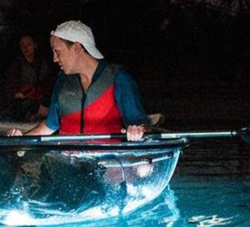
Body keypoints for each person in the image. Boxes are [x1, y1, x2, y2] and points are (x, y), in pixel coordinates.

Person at [8, 20, 149, 141]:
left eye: (57, 51)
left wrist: (138, 130)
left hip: (106, 166)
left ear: (76, 48)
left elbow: (141, 125)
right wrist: (22, 138)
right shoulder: (62, 80)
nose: (54, 59)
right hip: (66, 164)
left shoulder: (118, 79)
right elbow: (50, 125)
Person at [4, 34, 53, 121]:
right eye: (22, 45)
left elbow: (49, 83)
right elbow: (10, 87)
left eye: (29, 44)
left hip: (42, 99)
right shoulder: (15, 64)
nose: (26, 48)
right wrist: (17, 93)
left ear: (35, 45)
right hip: (23, 103)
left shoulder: (43, 62)